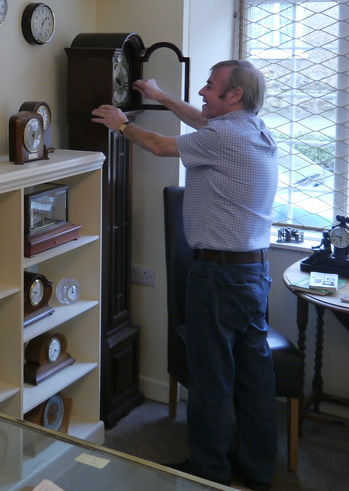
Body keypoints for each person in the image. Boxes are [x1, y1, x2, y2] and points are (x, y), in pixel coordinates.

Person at [91, 59, 278, 491]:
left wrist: (122, 125)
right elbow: (200, 120)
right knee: (254, 378)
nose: (203, 92)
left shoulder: (223, 136)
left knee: (211, 378)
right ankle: (256, 469)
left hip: (218, 277)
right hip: (253, 274)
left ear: (234, 95)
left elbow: (158, 146)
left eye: (210, 86)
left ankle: (209, 471)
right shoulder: (253, 129)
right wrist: (160, 96)